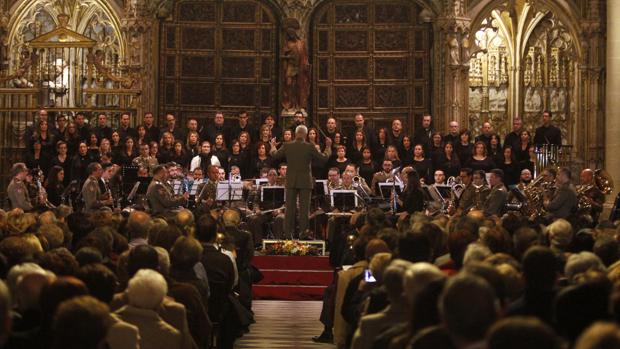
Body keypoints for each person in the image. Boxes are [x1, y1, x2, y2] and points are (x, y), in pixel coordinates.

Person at [270, 125, 331, 238]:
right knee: (304, 210)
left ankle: (288, 234)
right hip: (305, 182)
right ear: (306, 134)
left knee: (289, 209)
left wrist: (273, 146)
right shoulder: (309, 146)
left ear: (295, 134)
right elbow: (323, 158)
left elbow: (274, 155)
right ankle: (303, 234)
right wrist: (328, 147)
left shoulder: (287, 145)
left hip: (291, 181)